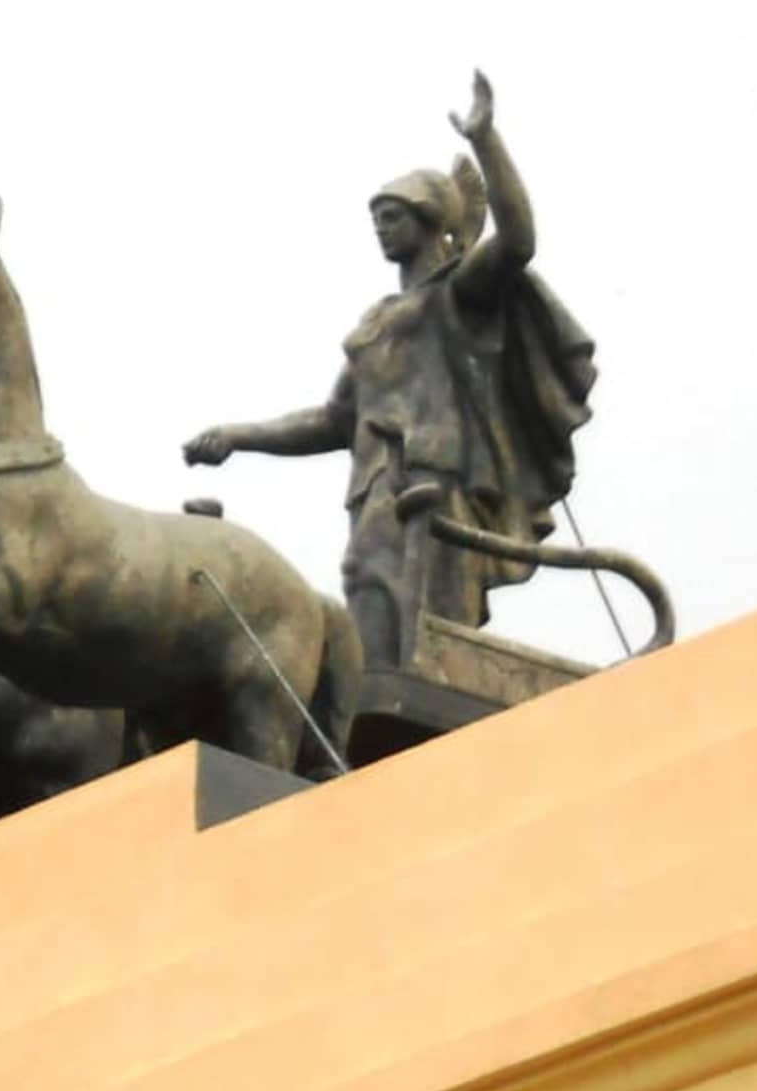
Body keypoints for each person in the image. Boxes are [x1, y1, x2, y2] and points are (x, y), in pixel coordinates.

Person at [183, 72, 596, 670]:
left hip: (437, 480)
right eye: (376, 215)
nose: (379, 226)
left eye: (392, 215)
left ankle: (429, 695)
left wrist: (485, 140)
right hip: (373, 487)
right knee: (366, 591)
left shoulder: (458, 295)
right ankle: (374, 703)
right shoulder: (376, 322)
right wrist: (237, 436)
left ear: (429, 219)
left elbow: (518, 241)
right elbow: (334, 420)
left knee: (432, 614)